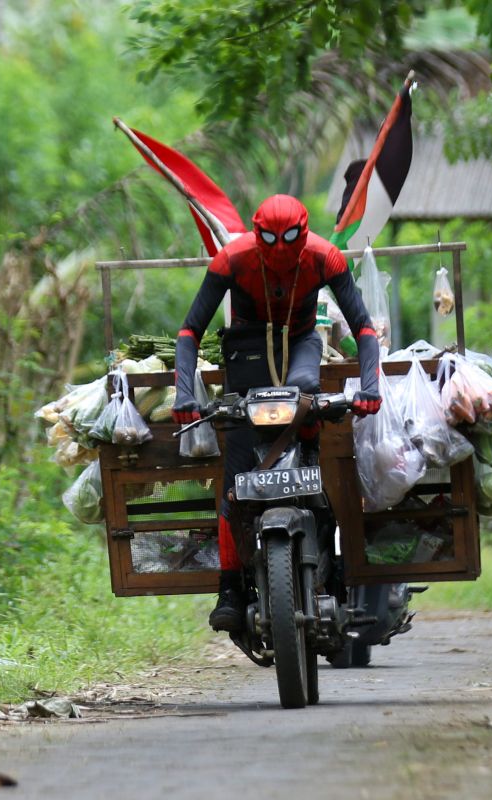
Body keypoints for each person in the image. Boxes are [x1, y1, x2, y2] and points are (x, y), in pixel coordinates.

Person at [171, 194, 382, 631]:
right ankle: (229, 586)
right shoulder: (232, 260)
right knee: (233, 478)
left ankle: (335, 563)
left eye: (290, 238)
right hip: (246, 352)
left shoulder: (327, 257)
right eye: (270, 238)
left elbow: (363, 328)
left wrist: (370, 388)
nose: (281, 248)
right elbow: (189, 331)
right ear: (255, 232)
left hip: (301, 345)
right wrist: (183, 396)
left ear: (304, 234)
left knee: (308, 393)